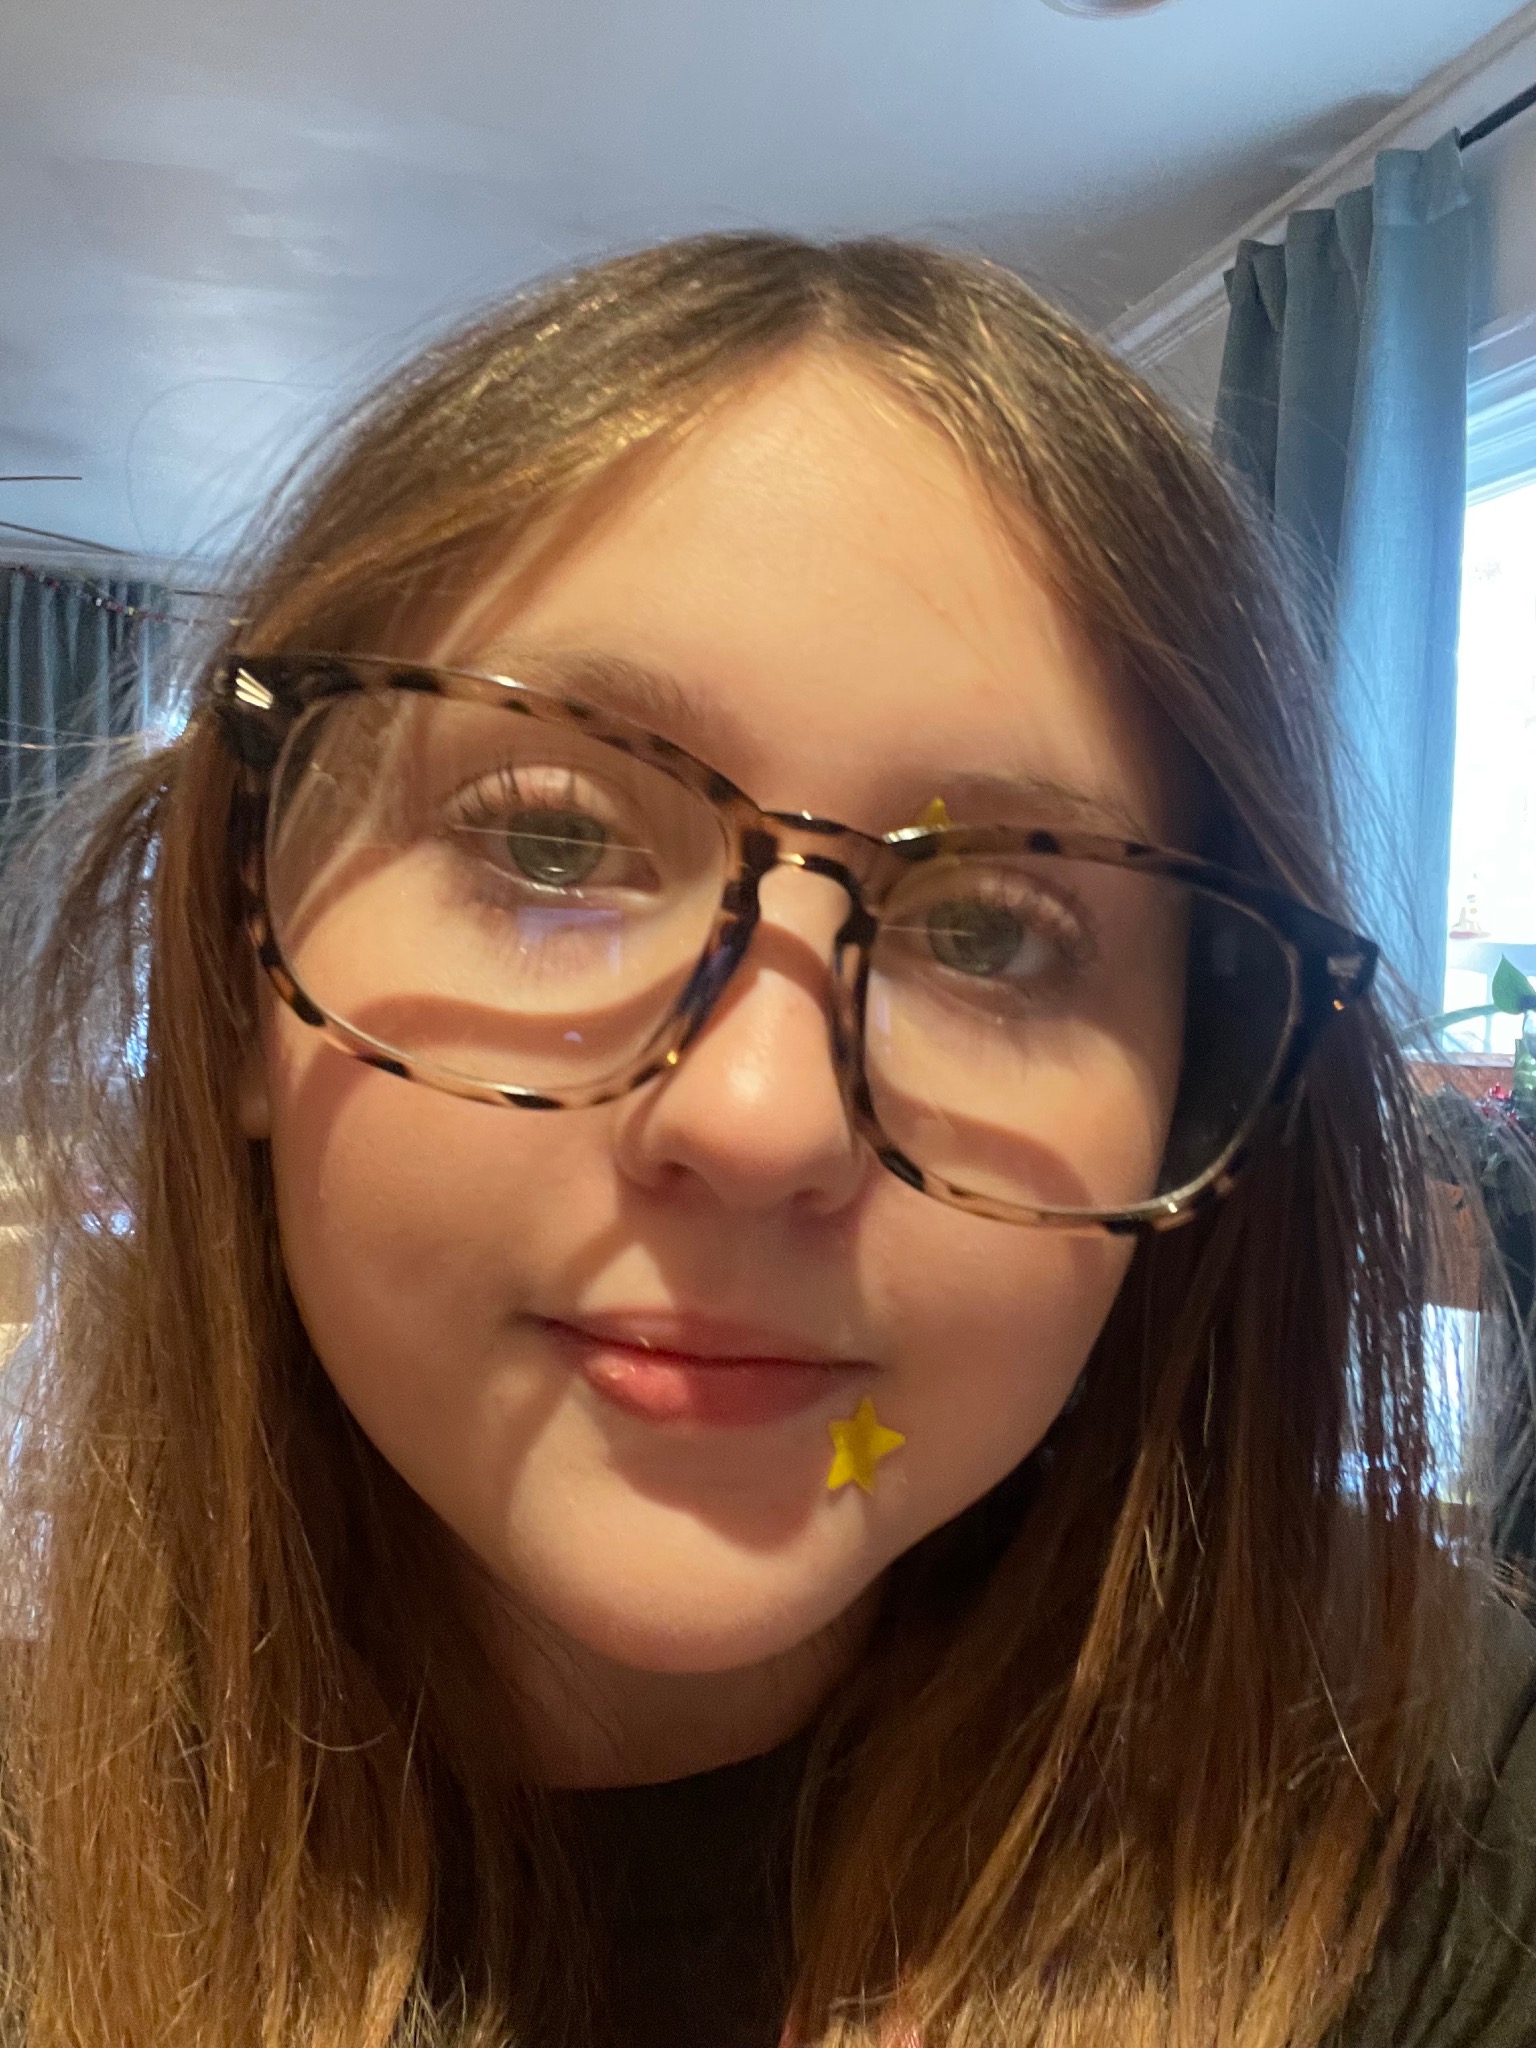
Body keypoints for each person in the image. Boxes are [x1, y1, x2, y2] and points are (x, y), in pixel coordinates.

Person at [0, 232, 1532, 2048]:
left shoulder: (1428, 1807)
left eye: (995, 934)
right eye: (552, 844)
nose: (758, 1117)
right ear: (240, 949)